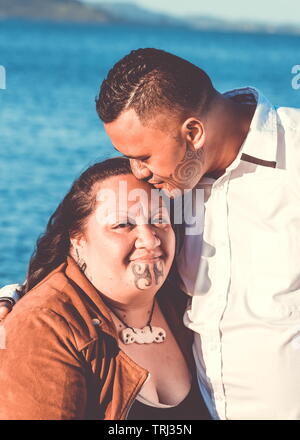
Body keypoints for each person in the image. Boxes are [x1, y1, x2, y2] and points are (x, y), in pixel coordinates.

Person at [2, 47, 300, 419]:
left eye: (142, 157)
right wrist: (19, 301)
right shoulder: (168, 183)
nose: (137, 172)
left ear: (193, 133)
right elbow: (103, 244)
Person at [0, 157, 211, 420]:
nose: (149, 238)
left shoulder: (186, 301)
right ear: (77, 237)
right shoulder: (43, 326)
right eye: (123, 225)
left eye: (159, 220)